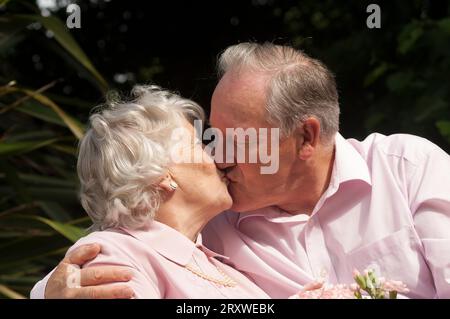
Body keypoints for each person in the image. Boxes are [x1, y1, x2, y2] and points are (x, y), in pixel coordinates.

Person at [31, 43, 450, 299]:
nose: (219, 155)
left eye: (237, 138)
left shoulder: (408, 170)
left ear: (306, 138)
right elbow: (111, 244)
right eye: (209, 137)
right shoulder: (214, 221)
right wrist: (49, 291)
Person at [31, 85, 269, 298]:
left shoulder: (215, 262)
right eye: (199, 143)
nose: (218, 155)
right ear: (161, 174)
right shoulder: (114, 255)